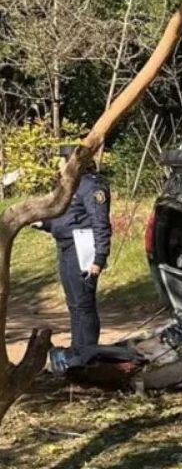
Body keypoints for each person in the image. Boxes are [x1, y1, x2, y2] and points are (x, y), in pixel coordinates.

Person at [36, 145, 112, 374]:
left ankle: (88, 356)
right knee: (74, 304)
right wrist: (44, 224)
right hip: (66, 247)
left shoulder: (92, 186)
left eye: (61, 161)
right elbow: (67, 218)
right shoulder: (70, 186)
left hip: (82, 249)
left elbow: (100, 223)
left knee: (84, 304)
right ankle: (77, 352)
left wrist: (99, 258)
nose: (59, 166)